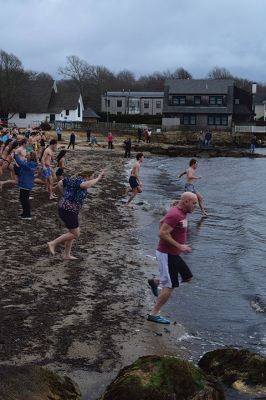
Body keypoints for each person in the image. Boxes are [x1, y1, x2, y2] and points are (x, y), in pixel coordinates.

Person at [147, 192, 198, 324]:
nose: (196, 206)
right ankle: (154, 314)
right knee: (170, 286)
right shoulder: (176, 214)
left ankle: (157, 282)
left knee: (187, 277)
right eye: (194, 203)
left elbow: (161, 221)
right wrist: (180, 246)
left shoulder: (180, 212)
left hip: (173, 254)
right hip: (167, 254)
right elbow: (162, 233)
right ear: (186, 202)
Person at [47, 169, 105, 260]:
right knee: (76, 234)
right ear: (87, 176)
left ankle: (66, 255)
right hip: (69, 210)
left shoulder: (72, 178)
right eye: (91, 177)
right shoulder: (80, 181)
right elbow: (85, 185)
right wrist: (98, 178)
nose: (92, 179)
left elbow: (60, 183)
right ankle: (53, 243)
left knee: (71, 232)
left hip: (65, 207)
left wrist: (66, 195)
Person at [14, 151, 38, 220]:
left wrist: (15, 155)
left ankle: (28, 215)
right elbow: (22, 164)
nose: (26, 155)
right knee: (22, 199)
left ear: (31, 157)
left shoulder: (31, 164)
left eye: (27, 154)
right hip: (25, 183)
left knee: (24, 200)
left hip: (26, 184)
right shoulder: (29, 163)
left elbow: (21, 163)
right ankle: (24, 213)